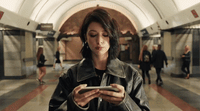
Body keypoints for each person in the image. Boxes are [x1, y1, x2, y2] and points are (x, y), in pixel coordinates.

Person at [49, 8, 150, 111]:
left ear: (112, 37)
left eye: (105, 34)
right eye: (93, 35)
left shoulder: (132, 76)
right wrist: (73, 104)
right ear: (86, 37)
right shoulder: (70, 76)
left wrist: (125, 102)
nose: (99, 41)